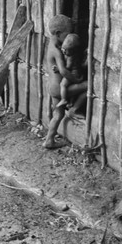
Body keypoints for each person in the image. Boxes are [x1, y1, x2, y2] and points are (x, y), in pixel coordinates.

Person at [43, 15, 87, 149]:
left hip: (52, 86)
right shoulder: (56, 50)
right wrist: (78, 79)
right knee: (89, 86)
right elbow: (63, 71)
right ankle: (74, 109)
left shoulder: (52, 43)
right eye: (68, 34)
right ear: (58, 33)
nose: (69, 37)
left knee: (58, 114)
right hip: (58, 88)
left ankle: (49, 140)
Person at [57, 33, 84, 109]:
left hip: (73, 74)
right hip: (77, 72)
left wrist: (59, 69)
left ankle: (64, 99)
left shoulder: (70, 58)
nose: (63, 52)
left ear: (72, 51)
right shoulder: (72, 54)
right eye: (63, 49)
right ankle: (71, 102)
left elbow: (67, 68)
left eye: (65, 50)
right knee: (73, 88)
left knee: (63, 85)